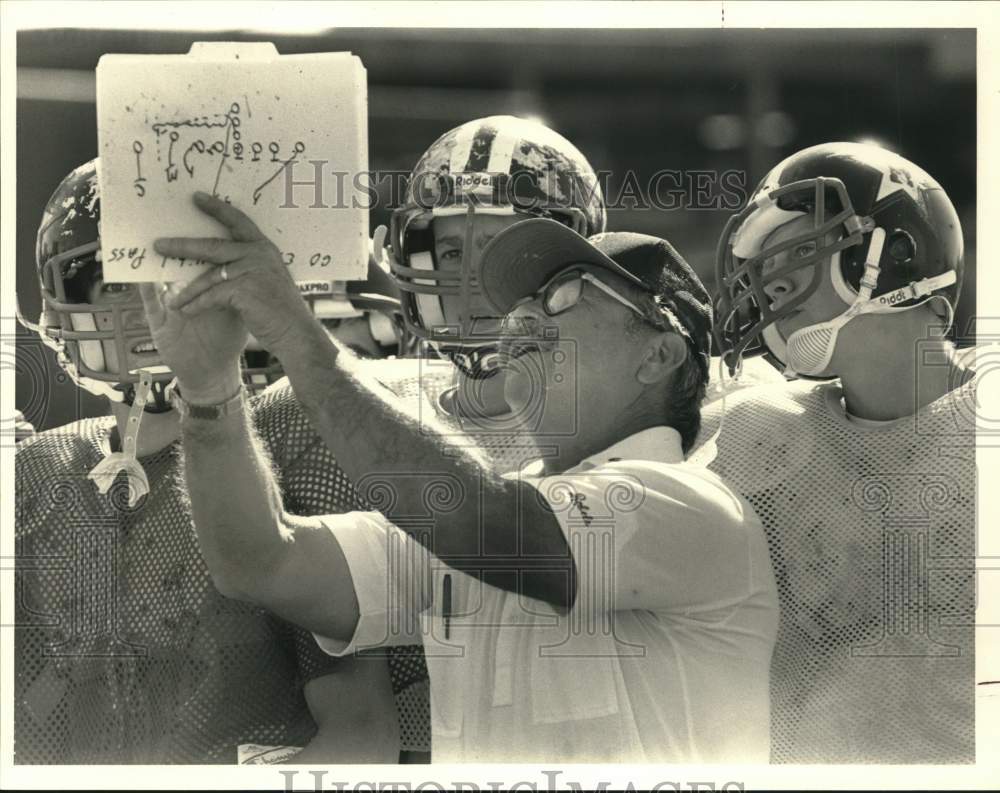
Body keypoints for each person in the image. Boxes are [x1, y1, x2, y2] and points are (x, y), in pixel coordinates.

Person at [138, 183, 779, 762]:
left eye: (561, 293)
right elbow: (262, 563)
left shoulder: (692, 507)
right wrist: (210, 387)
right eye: (521, 298)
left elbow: (486, 524)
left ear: (658, 354)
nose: (521, 315)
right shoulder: (492, 518)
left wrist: (298, 337)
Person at [14, 160, 400, 764]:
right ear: (66, 307)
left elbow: (362, 736)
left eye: (172, 277)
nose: (150, 305)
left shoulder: (291, 439)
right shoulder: (33, 473)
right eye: (118, 282)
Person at [708, 141, 976, 762]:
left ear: (898, 258)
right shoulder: (754, 432)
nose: (770, 280)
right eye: (763, 264)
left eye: (803, 249)